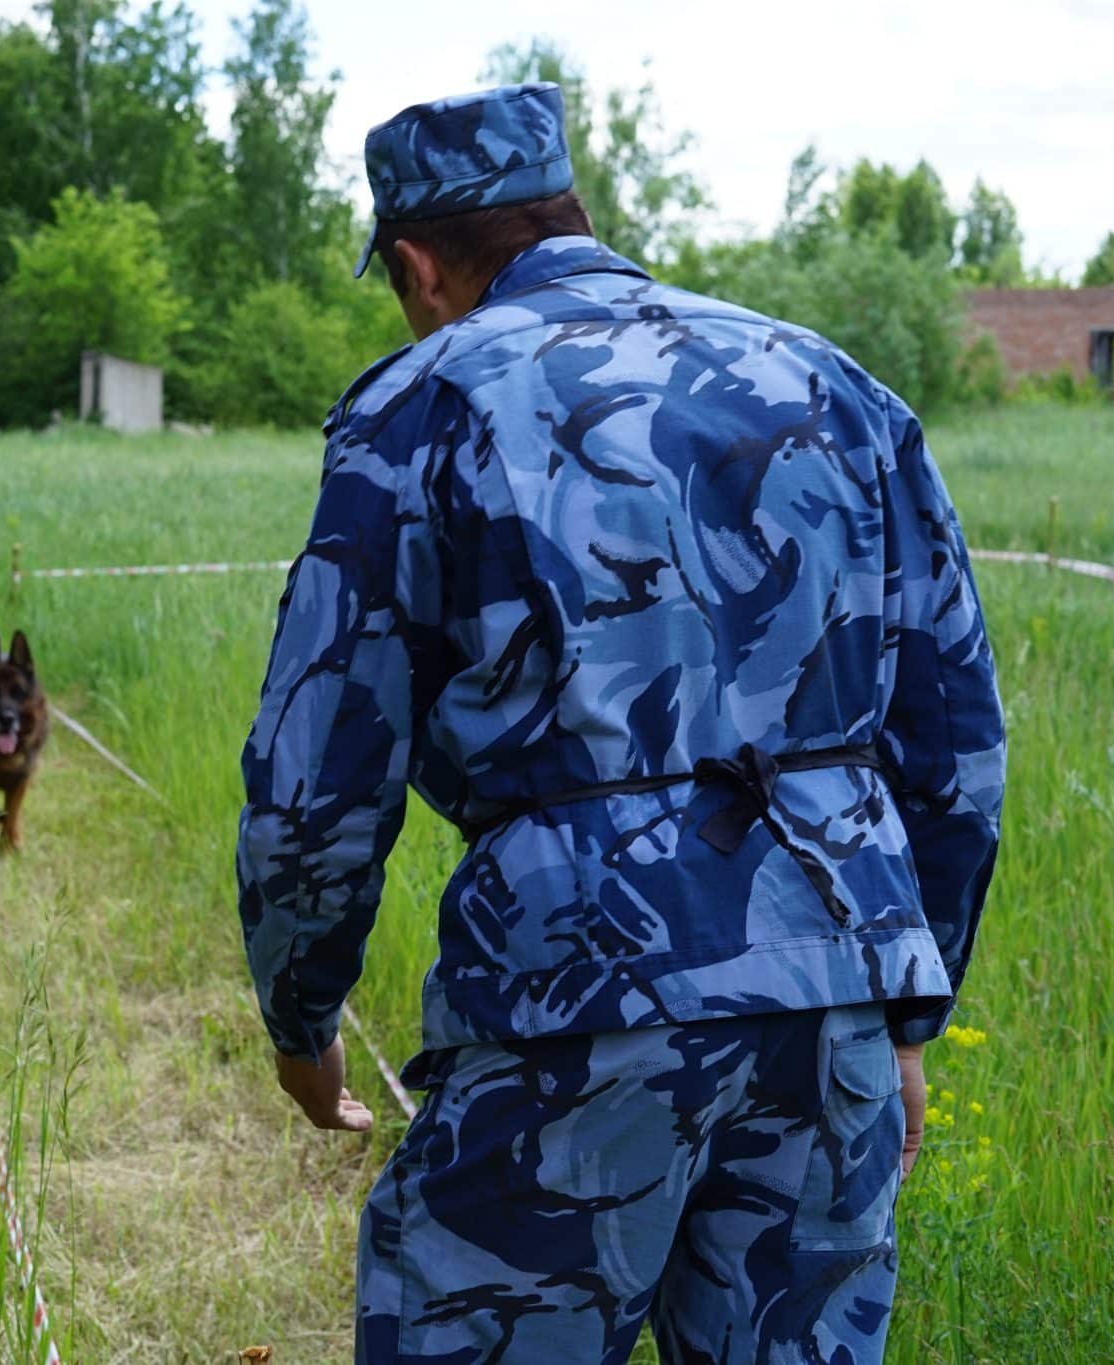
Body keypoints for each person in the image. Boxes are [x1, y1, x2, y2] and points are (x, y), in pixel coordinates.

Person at [234, 81, 1005, 1363]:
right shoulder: (832, 384)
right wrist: (899, 1001)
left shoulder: (419, 409)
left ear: (418, 265)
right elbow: (953, 742)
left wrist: (300, 1021)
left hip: (574, 995)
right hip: (835, 975)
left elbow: (317, 779)